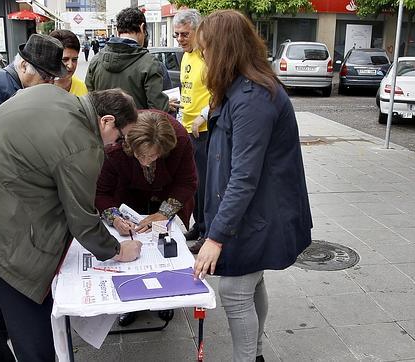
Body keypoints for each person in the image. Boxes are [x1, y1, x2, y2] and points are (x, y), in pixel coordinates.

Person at [0, 86, 142, 360]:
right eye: (119, 137)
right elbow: (82, 218)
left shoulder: (48, 92)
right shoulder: (83, 143)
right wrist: (117, 250)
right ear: (107, 121)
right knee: (30, 319)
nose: (115, 145)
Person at [192, 10, 313, 362]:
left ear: (224, 50)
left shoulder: (252, 98)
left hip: (256, 215)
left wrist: (215, 238)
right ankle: (256, 354)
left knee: (234, 290)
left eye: (206, 51)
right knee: (250, 282)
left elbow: (244, 176)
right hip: (252, 212)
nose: (203, 59)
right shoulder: (240, 89)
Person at [95, 110, 197, 327]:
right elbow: (101, 192)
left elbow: (187, 182)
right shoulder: (117, 145)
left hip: (166, 196)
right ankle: (132, 302)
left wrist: (163, 213)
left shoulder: (178, 139)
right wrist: (114, 218)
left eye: (152, 156)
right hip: (128, 198)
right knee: (133, 253)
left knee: (164, 249)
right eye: (140, 155)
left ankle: (165, 298)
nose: (146, 162)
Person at [171, 9, 211, 253]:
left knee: (206, 185)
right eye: (177, 35)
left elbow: (219, 91)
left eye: (185, 34)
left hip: (204, 131)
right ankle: (198, 225)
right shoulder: (185, 57)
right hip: (186, 127)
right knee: (194, 183)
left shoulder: (207, 56)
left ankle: (207, 232)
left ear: (198, 31)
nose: (180, 39)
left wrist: (203, 115)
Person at [0, 34, 65, 132]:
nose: (50, 83)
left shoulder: (41, 90)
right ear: (24, 66)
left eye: (54, 78)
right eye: (46, 77)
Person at [85, 7, 169, 112]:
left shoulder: (96, 60)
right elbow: (158, 111)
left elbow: (90, 103)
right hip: (139, 127)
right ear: (142, 28)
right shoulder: (149, 63)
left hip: (104, 127)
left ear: (117, 30)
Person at [49, 29, 88, 96]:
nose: (70, 66)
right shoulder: (39, 89)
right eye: (64, 60)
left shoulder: (82, 88)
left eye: (74, 60)